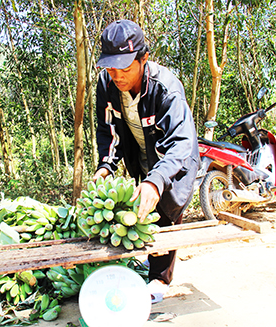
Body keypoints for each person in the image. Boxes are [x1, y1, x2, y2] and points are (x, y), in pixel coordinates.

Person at [93, 20, 200, 304]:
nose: (116, 75)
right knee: (142, 211)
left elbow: (181, 142)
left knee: (165, 210)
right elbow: (109, 130)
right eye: (110, 67)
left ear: (144, 59)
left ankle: (159, 280)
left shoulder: (167, 88)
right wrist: (106, 164)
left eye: (125, 68)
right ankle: (148, 265)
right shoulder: (107, 85)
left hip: (176, 157)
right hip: (140, 153)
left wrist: (157, 180)